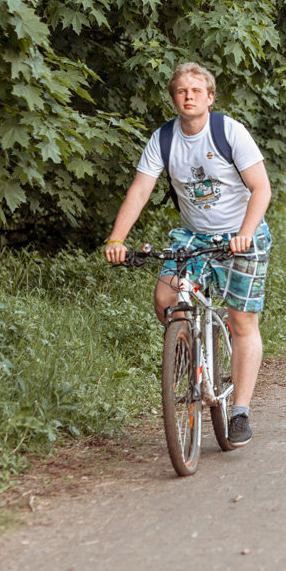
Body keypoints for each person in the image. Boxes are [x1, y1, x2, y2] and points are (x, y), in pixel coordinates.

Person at [104, 62, 273, 447]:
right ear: (174, 98)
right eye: (181, 91)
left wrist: (245, 235)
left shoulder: (229, 132)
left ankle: (240, 411)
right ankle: (189, 352)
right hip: (195, 235)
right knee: (165, 296)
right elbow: (140, 190)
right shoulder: (164, 138)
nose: (189, 96)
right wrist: (117, 239)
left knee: (242, 320)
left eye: (196, 91)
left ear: (210, 97)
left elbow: (261, 189)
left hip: (241, 234)